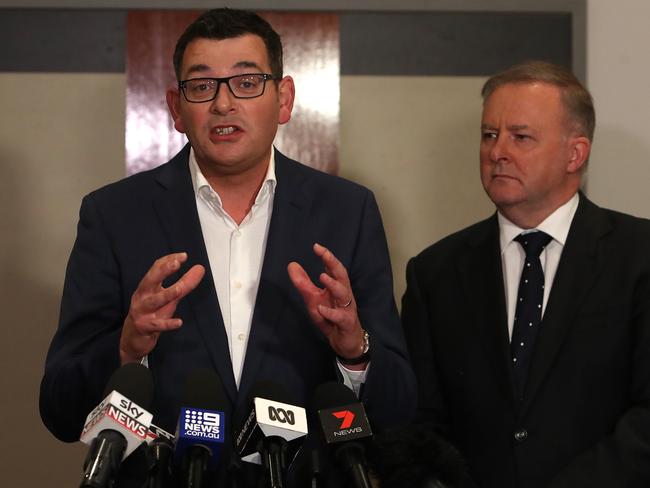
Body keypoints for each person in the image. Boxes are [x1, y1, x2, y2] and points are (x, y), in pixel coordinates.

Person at [40, 8, 415, 486]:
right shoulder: (114, 216)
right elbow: (59, 409)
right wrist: (126, 347)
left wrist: (354, 353)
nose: (223, 104)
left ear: (285, 99)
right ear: (176, 109)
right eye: (202, 86)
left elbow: (400, 409)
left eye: (247, 82)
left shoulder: (347, 211)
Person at [401, 60, 650, 488]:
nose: (497, 151)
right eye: (489, 135)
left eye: (521, 137)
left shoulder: (639, 256)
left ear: (576, 153)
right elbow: (422, 424)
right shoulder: (435, 272)